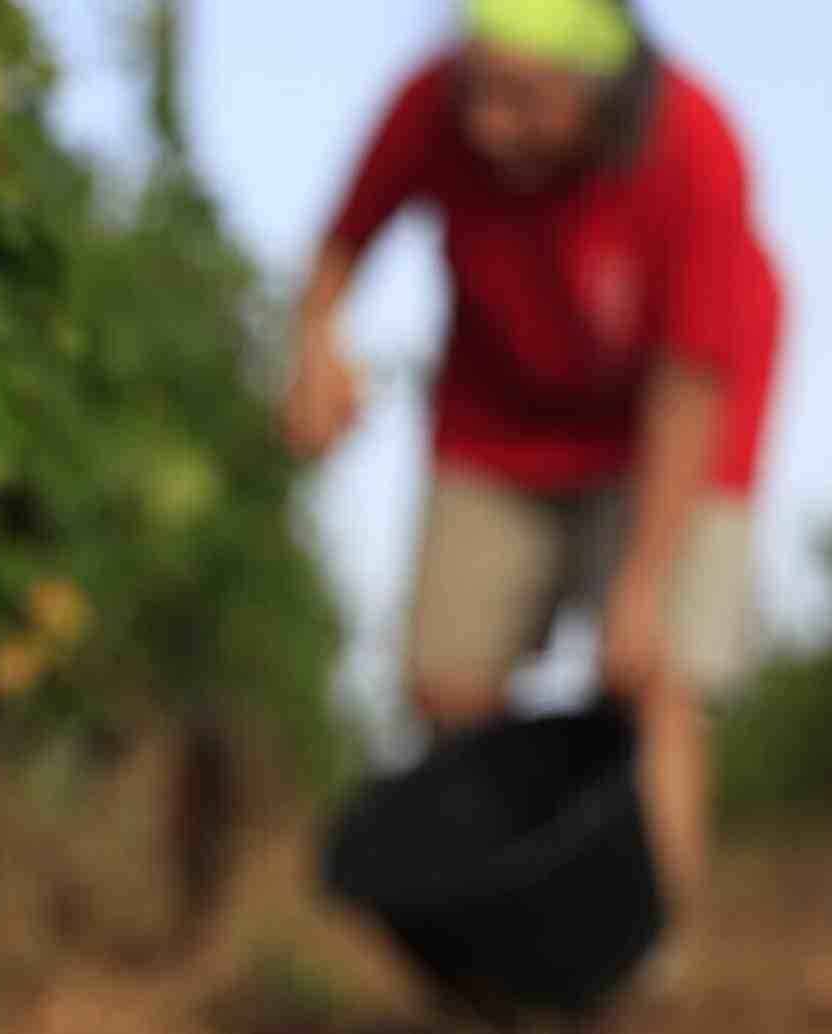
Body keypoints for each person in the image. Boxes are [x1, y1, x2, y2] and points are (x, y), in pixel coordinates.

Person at [282, 0, 782, 924]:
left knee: (656, 680)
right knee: (445, 684)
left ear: (606, 94)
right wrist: (316, 347)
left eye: (524, 99)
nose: (486, 123)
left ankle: (648, 945)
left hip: (673, 425)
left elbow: (689, 385)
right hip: (499, 417)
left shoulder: (696, 147)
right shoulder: (430, 105)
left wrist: (642, 583)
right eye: (477, 89)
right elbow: (340, 244)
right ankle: (488, 938)